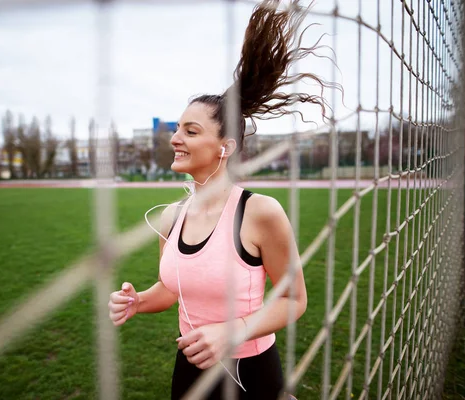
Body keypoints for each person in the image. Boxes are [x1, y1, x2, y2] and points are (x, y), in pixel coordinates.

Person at [109, 1, 330, 398]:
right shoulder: (171, 217)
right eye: (177, 129)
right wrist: (138, 302)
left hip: (251, 373)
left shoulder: (259, 212)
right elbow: (172, 289)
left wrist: (232, 332)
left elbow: (294, 299)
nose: (175, 139)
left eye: (191, 131)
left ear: (224, 147)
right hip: (189, 369)